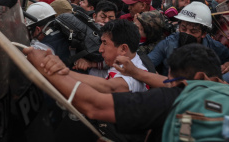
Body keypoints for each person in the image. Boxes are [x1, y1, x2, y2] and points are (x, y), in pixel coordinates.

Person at [24, 43, 227, 142]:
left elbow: (94, 105)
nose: (169, 84)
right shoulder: (222, 92)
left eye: (172, 80)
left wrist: (45, 67)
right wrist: (136, 72)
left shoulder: (174, 98)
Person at [148, 2, 229, 78]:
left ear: (204, 33)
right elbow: (147, 63)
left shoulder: (214, 47)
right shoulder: (168, 43)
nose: (187, 33)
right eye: (183, 28)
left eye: (193, 31)